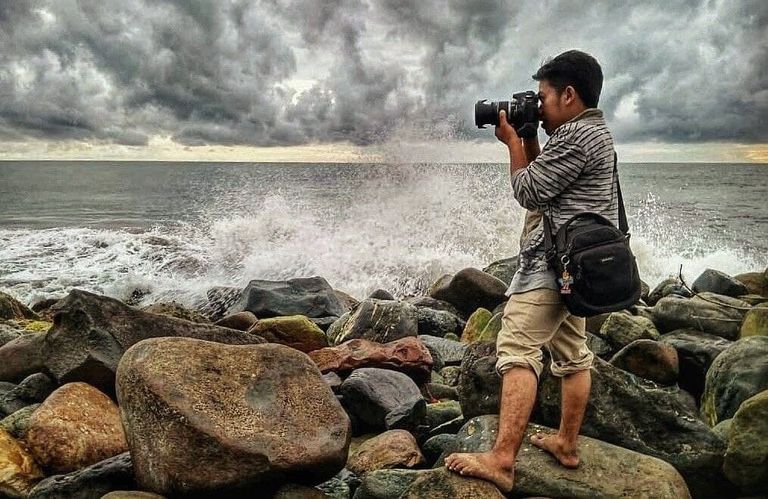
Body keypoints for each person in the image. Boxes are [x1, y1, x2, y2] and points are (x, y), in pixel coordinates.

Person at [445, 50, 618, 492]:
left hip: (552, 265)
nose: (537, 107)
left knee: (517, 346)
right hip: (576, 269)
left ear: (569, 94)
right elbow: (547, 186)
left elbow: (527, 190)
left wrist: (512, 143)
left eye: (542, 97)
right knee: (572, 354)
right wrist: (531, 140)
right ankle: (566, 443)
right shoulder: (592, 134)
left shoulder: (576, 138)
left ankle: (502, 459)